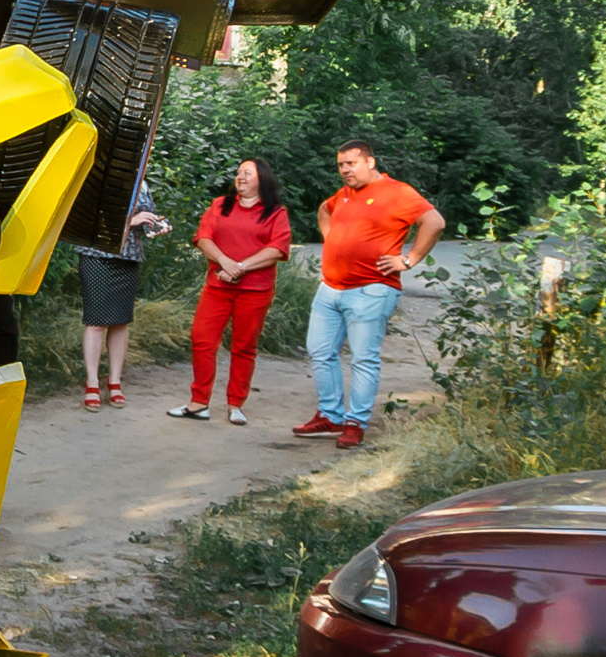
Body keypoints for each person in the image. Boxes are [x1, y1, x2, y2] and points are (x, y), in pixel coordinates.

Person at [298, 140, 444, 449]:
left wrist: (409, 260)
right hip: (330, 288)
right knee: (319, 351)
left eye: (351, 163)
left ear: (370, 162)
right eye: (341, 165)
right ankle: (331, 415)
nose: (345, 170)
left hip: (371, 289)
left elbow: (434, 222)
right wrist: (332, 240)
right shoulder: (345, 194)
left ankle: (355, 423)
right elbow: (324, 209)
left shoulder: (398, 192)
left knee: (363, 358)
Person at [169, 157, 293, 426]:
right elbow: (203, 238)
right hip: (218, 286)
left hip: (255, 290)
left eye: (247, 173)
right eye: (238, 172)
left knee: (244, 346)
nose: (240, 177)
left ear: (262, 179)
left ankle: (235, 404)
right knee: (202, 339)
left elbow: (277, 250)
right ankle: (199, 402)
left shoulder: (275, 212)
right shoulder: (220, 205)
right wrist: (225, 263)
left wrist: (239, 268)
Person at [74, 181, 168, 410]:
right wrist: (130, 221)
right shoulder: (99, 176)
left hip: (129, 257)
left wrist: (155, 225)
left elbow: (147, 216)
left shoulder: (142, 183)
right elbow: (87, 217)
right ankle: (92, 382)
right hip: (97, 255)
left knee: (121, 321)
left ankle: (114, 381)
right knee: (96, 320)